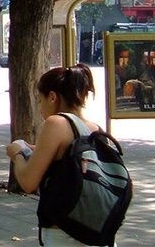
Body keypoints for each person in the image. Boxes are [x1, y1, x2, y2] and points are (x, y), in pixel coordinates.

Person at [6, 64, 107, 246]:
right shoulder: (95, 129)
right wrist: (36, 149)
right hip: (96, 230)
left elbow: (28, 182)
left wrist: (18, 154)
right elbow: (69, 157)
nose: (40, 107)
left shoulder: (56, 123)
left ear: (52, 97)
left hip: (65, 233)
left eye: (40, 100)